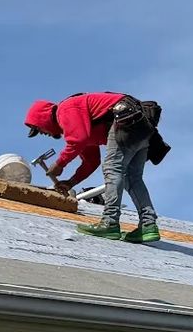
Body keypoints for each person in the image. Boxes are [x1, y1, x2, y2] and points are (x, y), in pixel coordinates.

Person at [23, 92, 167, 242]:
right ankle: (148, 225)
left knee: (113, 169)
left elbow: (78, 140)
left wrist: (60, 164)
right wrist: (71, 182)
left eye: (39, 130)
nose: (43, 134)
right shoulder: (78, 123)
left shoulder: (65, 110)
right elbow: (91, 161)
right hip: (140, 124)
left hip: (127, 119)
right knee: (132, 177)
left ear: (42, 118)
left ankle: (109, 222)